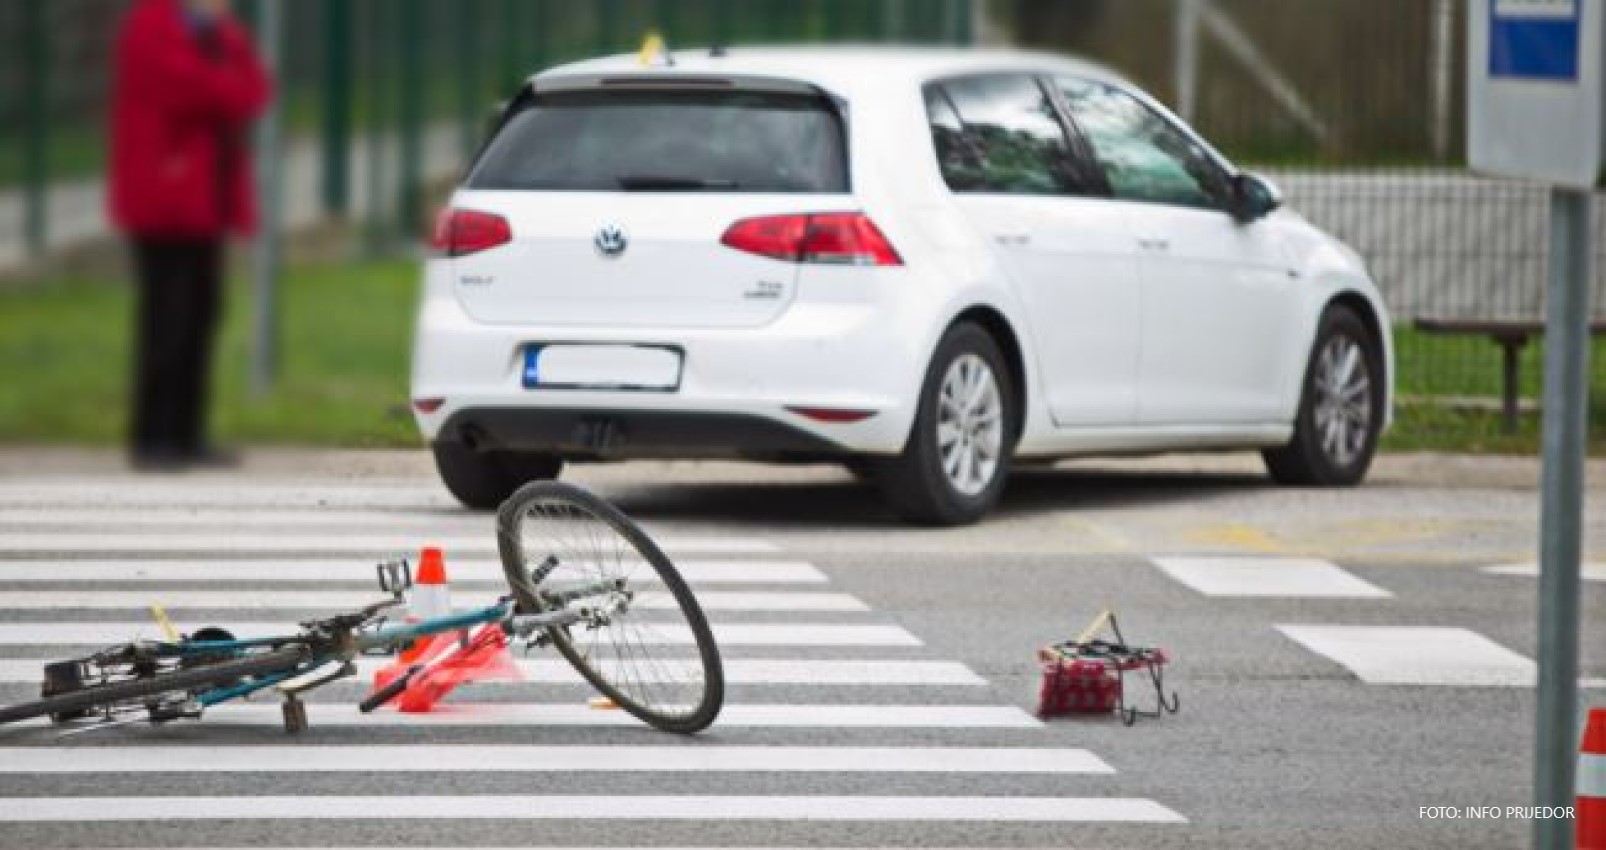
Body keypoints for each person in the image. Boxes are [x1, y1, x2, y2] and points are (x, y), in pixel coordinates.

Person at [108, 0, 271, 470]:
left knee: (202, 313)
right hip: (165, 195)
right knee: (167, 318)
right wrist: (225, 70)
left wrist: (225, 34)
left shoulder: (215, 32)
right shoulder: (151, 26)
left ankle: (186, 432)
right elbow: (200, 90)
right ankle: (153, 434)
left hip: (205, 199)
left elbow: (254, 89)